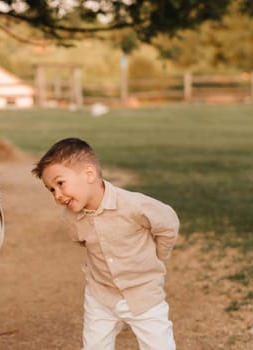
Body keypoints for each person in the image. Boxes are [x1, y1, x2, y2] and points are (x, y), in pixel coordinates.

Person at [32, 137, 179, 350]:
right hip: (101, 295)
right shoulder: (71, 218)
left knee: (159, 345)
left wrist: (159, 254)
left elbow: (168, 222)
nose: (57, 195)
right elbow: (83, 242)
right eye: (51, 190)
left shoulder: (133, 205)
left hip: (143, 294)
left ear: (89, 174)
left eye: (60, 183)